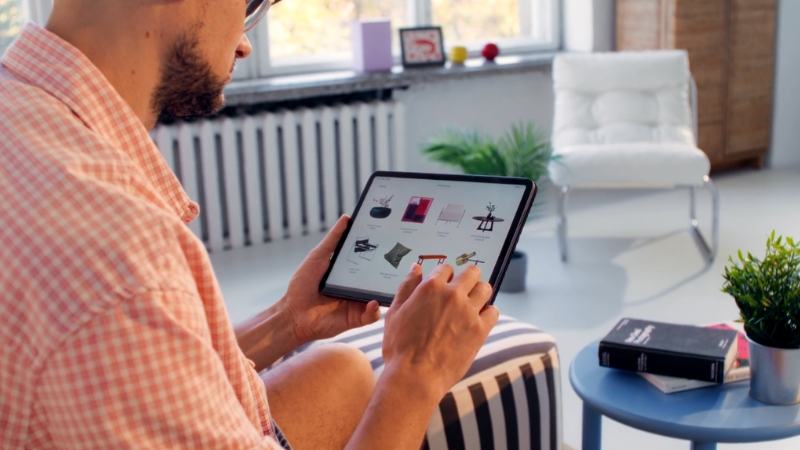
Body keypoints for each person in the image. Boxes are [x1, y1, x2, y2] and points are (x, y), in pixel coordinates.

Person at [0, 0, 500, 448]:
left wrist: (288, 319)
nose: (243, 41)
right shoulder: (124, 264)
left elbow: (136, 368)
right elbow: (122, 313)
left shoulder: (19, 108)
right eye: (251, 2)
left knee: (342, 366)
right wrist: (414, 376)